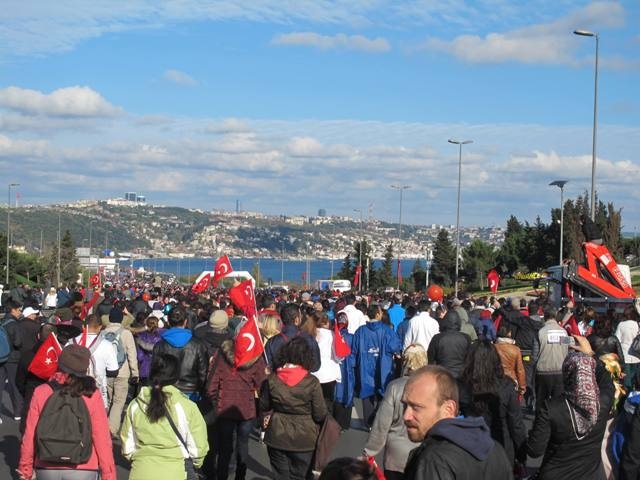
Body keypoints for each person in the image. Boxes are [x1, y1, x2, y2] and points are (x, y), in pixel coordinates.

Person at [18, 344, 117, 480]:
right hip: (84, 465)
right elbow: (102, 437)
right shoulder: (92, 394)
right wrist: (108, 474)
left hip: (46, 464)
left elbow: (30, 434)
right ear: (85, 369)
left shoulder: (42, 391)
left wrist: (25, 468)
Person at [526, 336, 615, 479]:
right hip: (591, 474)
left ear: (567, 375)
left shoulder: (551, 408)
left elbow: (535, 450)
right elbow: (607, 380)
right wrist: (590, 355)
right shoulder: (602, 403)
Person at [402, 365, 512, 479]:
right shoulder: (496, 450)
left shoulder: (433, 459)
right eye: (405, 405)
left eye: (416, 407)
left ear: (448, 409)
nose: (406, 416)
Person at [120, 353, 209, 480]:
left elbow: (127, 447)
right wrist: (195, 464)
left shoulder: (135, 405)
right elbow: (198, 449)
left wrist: (141, 459)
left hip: (141, 471)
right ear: (177, 377)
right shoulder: (187, 407)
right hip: (175, 472)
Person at [259, 337, 328, 480]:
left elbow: (264, 405)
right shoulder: (312, 382)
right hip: (305, 438)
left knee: (280, 476)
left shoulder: (272, 379)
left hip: (278, 434)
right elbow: (320, 414)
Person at [204, 332, 266, 480]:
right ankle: (240, 476)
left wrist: (215, 401)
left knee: (225, 448)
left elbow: (211, 385)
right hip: (246, 409)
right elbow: (262, 387)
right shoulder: (255, 359)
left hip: (225, 406)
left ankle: (222, 476)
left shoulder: (222, 355)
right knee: (242, 445)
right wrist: (265, 410)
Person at [458, 341, 527, 467]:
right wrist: (521, 454)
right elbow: (516, 424)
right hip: (501, 447)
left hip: (469, 445)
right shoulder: (506, 385)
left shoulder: (461, 385)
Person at [363, 344, 427, 480]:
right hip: (424, 455)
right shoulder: (431, 389)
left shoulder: (395, 387)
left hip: (396, 456)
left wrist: (369, 451)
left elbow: (382, 424)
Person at [352, 303, 402, 428]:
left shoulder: (360, 331)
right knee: (383, 394)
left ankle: (368, 423)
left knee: (367, 394)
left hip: (365, 367)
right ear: (378, 314)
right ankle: (378, 421)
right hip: (383, 367)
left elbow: (354, 350)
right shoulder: (387, 330)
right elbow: (396, 346)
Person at [152, 306, 209, 400]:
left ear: (168, 322)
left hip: (167, 391)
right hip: (190, 392)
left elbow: (155, 371)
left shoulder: (160, 345)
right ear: (186, 321)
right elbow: (203, 372)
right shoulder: (198, 345)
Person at [104, 305, 139, 436]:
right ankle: (111, 429)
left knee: (108, 399)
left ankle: (103, 423)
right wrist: (135, 373)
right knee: (119, 402)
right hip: (122, 372)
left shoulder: (102, 333)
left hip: (105, 372)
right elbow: (131, 354)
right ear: (121, 319)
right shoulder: (126, 333)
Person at [264, 303, 321, 373]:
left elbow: (268, 366)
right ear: (297, 320)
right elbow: (315, 366)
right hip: (303, 381)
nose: (302, 317)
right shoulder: (309, 339)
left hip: (279, 381)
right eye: (301, 316)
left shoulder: (272, 342)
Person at [533, 305, 569, 411]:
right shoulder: (564, 332)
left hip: (542, 372)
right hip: (559, 372)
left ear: (544, 316)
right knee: (558, 404)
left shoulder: (540, 332)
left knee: (541, 404)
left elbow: (534, 355)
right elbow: (567, 350)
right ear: (556, 315)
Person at [427, 310, 471, 379]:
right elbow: (469, 358)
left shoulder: (437, 338)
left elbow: (430, 359)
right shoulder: (466, 338)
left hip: (442, 375)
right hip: (461, 376)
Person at [1, 299, 24, 421]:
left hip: (1, 357)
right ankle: (17, 412)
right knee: (14, 384)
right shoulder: (14, 324)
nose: (20, 312)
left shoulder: (2, 322)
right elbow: (17, 342)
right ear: (13, 310)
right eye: (18, 310)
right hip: (12, 359)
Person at [333, 312, 356, 431]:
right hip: (349, 369)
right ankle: (345, 424)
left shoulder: (333, 336)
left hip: (337, 369)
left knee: (337, 392)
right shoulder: (351, 337)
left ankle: (335, 422)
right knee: (348, 391)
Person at [494, 322, 527, 397]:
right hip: (511, 380)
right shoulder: (515, 349)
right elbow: (520, 370)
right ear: (509, 333)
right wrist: (522, 387)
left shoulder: (493, 348)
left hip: (496, 379)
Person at [615, 305, 640, 391]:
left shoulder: (621, 325)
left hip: (624, 356)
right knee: (637, 382)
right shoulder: (638, 325)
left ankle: (625, 401)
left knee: (626, 383)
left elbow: (617, 339)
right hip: (637, 356)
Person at [135, 316, 165, 385]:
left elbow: (140, 357)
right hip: (159, 369)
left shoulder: (141, 336)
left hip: (145, 369)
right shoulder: (163, 335)